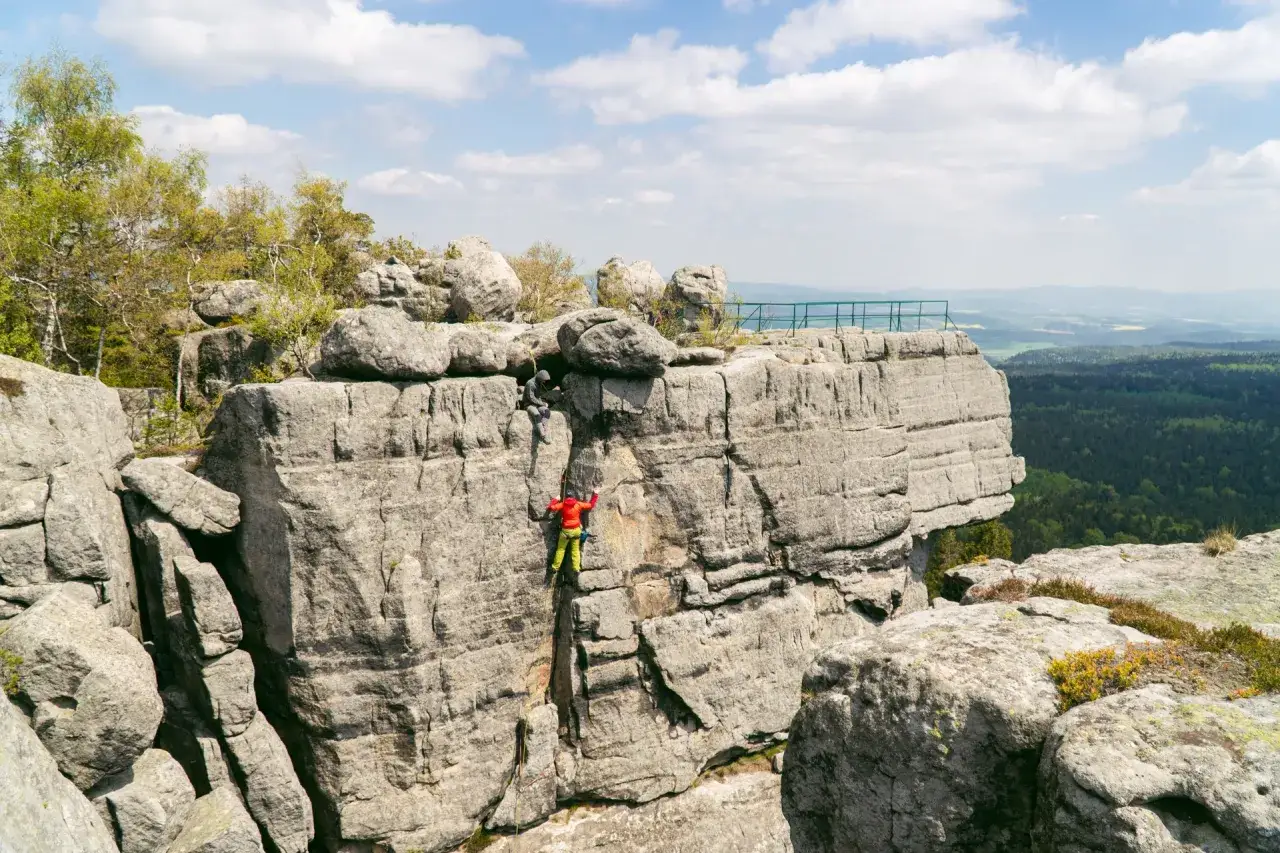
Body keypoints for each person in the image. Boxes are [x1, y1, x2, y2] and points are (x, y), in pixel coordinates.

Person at [548, 489, 598, 574]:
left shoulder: (563, 504)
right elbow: (590, 505)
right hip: (576, 531)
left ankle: (555, 567)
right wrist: (596, 494)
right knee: (575, 550)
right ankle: (576, 568)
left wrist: (556, 499)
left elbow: (551, 508)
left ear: (566, 497)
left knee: (560, 549)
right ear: (574, 496)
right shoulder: (578, 504)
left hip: (565, 532)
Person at [523, 370, 553, 444]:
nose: (544, 382)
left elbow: (538, 397)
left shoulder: (539, 383)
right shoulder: (530, 383)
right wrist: (542, 403)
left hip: (537, 405)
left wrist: (543, 404)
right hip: (529, 405)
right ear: (540, 377)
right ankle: (542, 434)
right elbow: (531, 398)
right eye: (543, 380)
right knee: (537, 414)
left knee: (547, 412)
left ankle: (544, 427)